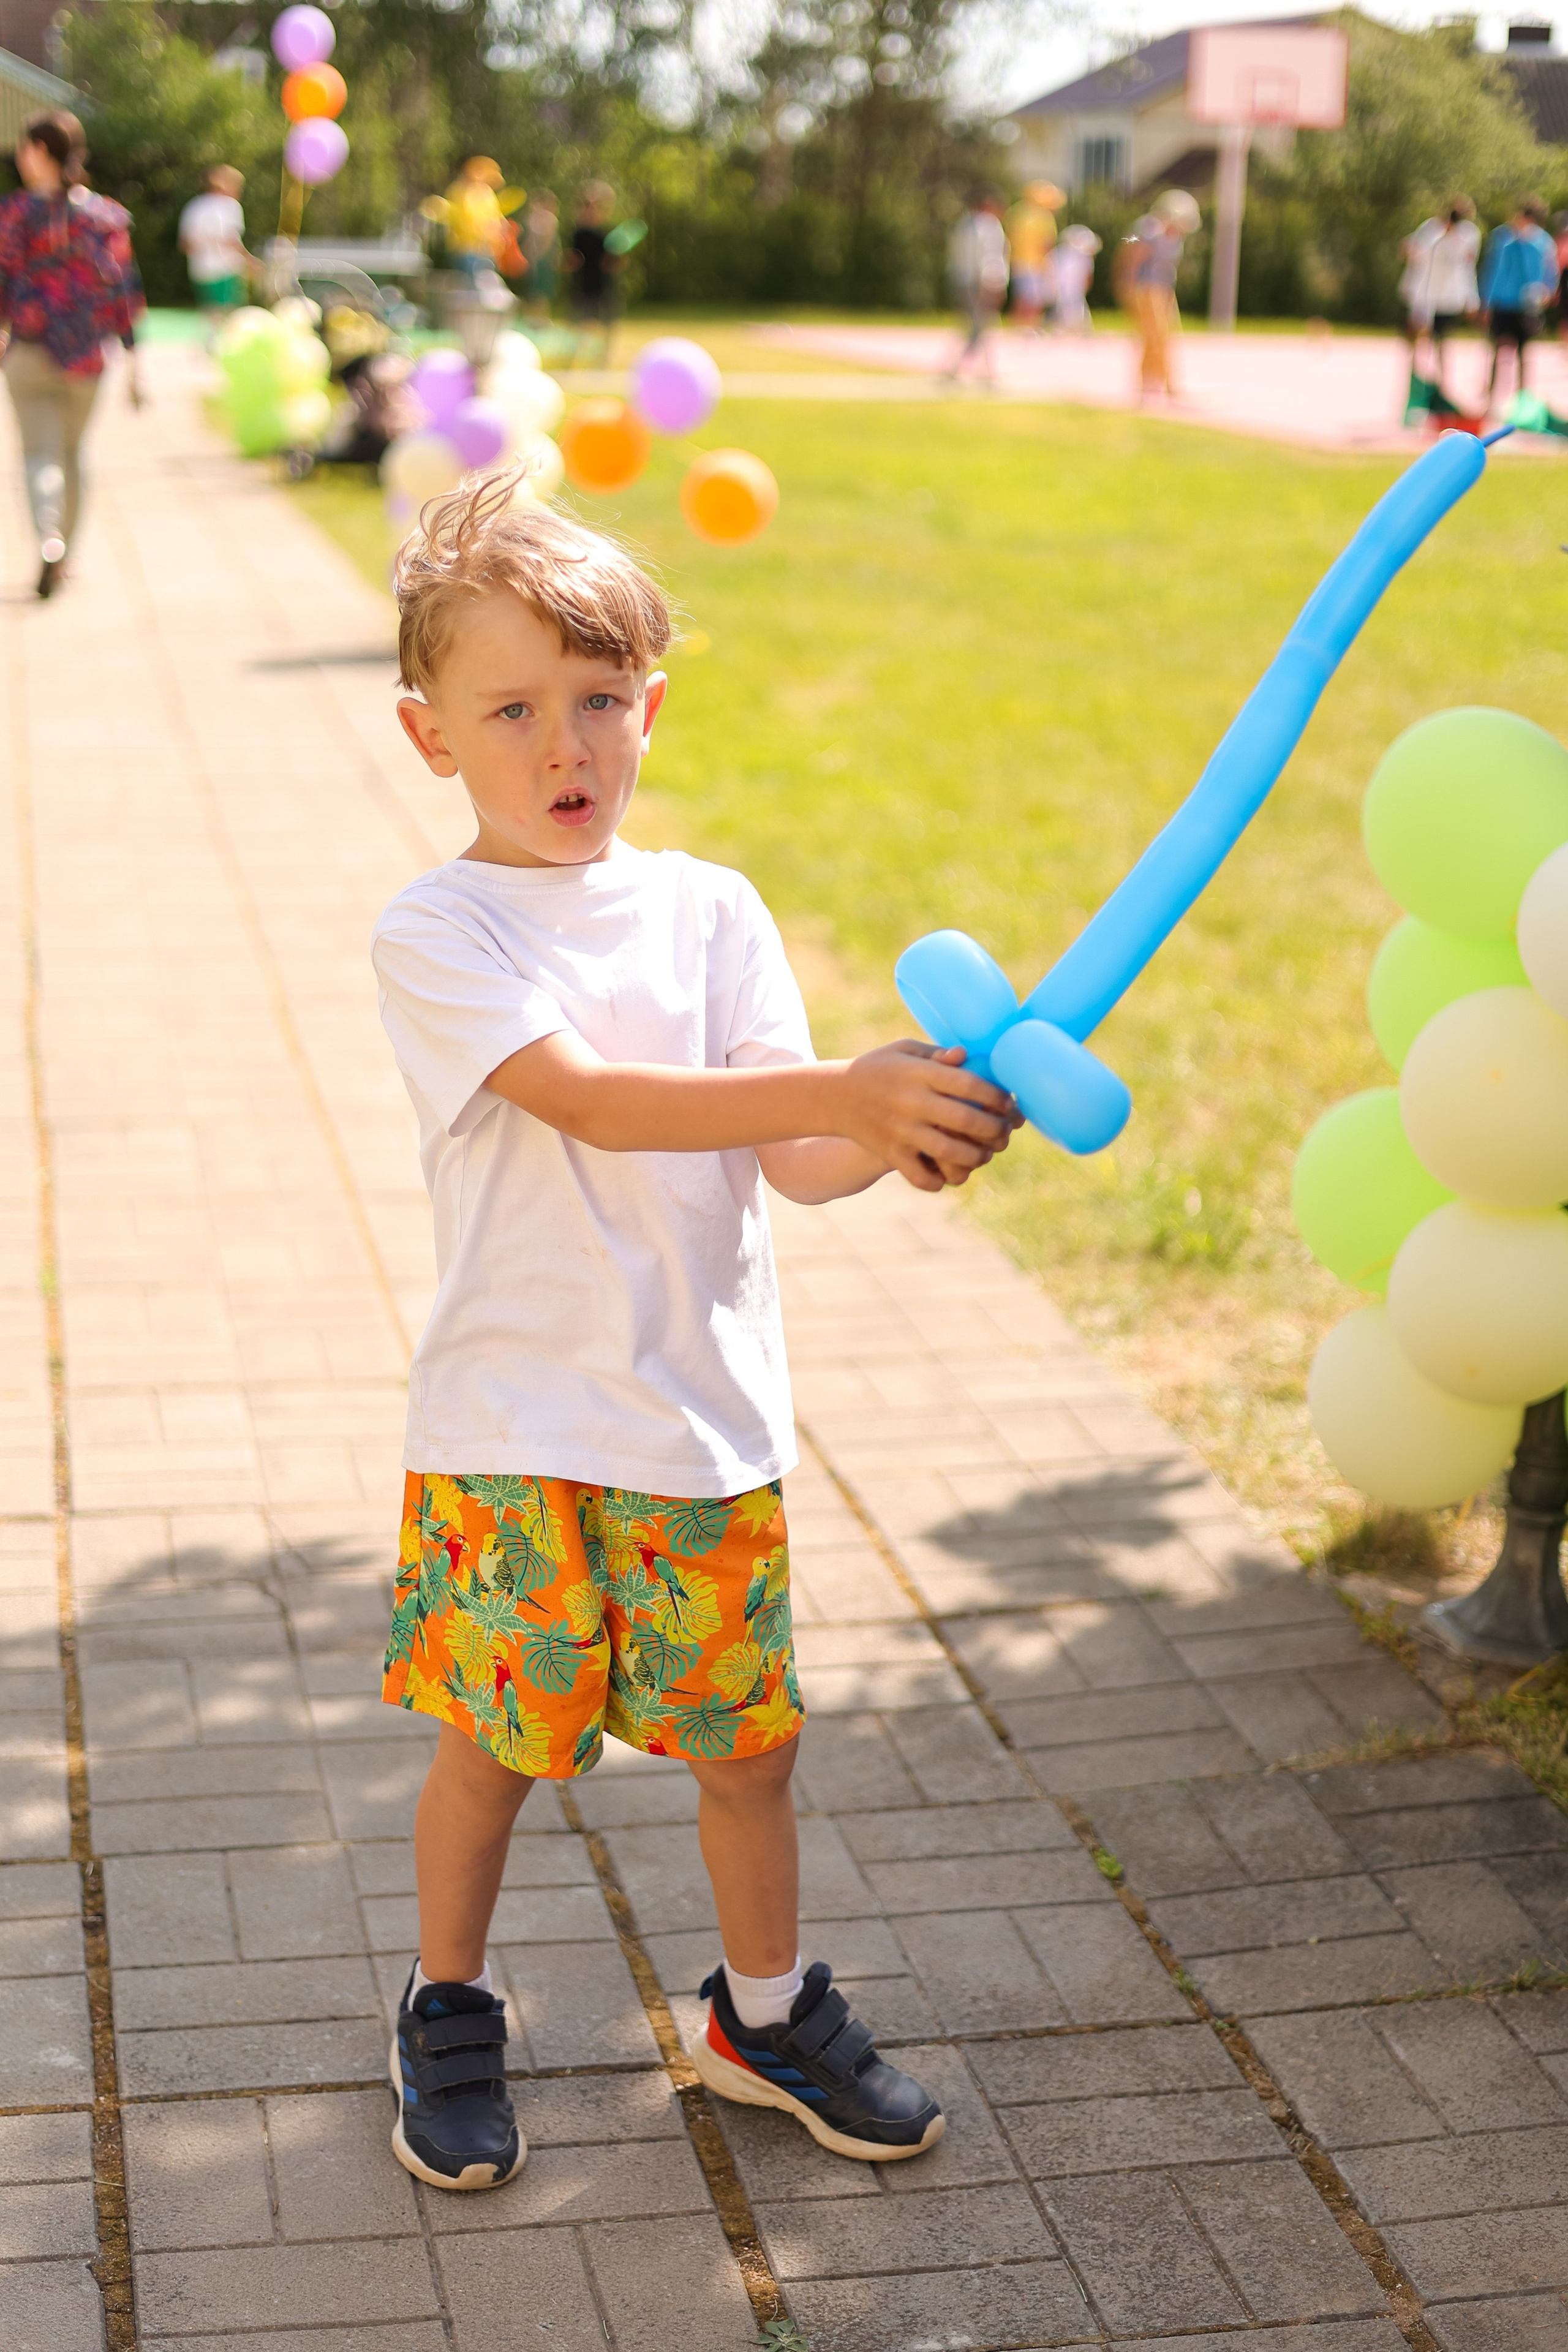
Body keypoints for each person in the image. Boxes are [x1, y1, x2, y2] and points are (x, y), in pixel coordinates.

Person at [371, 473, 1021, 2191]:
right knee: (500, 1745)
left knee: (751, 1747)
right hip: (517, 1426)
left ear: (649, 706)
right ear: (434, 738)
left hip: (699, 1423)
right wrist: (842, 1089)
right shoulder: (440, 931)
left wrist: (893, 1131)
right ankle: (448, 2002)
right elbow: (589, 1100)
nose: (563, 743)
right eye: (511, 710)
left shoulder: (712, 910)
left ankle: (761, 2012)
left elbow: (785, 1151)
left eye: (598, 701)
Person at [0, 110, 143, 600]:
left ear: (41, 151)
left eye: (24, 148)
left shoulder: (15, 213)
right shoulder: (104, 217)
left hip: (29, 352)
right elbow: (126, 293)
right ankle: (68, 556)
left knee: (39, 453)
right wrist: (135, 359)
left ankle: (49, 537)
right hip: (86, 357)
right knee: (74, 452)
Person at [1116, 188, 1199, 400]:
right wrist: (1128, 282)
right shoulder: (1150, 228)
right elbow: (1129, 249)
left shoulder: (1175, 235)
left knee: (1166, 336)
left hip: (1164, 289)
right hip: (1146, 288)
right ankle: (1162, 384)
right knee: (1155, 335)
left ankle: (1155, 381)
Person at [1398, 197, 1480, 398]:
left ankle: (1442, 387)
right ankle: (1416, 384)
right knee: (1419, 338)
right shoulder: (1431, 230)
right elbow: (1411, 252)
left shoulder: (1469, 235)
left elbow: (1468, 267)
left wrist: (1471, 298)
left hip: (1448, 297)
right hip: (1424, 296)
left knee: (1442, 340)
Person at [1480, 196, 1558, 407]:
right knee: (1498, 348)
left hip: (1526, 305)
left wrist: (1547, 291)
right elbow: (1493, 270)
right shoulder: (1503, 237)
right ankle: (1490, 397)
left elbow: (1551, 271)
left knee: (1524, 352)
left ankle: (1522, 398)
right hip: (1503, 302)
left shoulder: (1543, 242)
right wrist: (1486, 300)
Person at [178, 165, 252, 336]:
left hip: (201, 269)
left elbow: (185, 244)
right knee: (229, 313)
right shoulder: (230, 206)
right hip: (227, 268)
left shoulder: (193, 206)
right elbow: (231, 241)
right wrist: (250, 261)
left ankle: (210, 344)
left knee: (211, 311)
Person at [944, 189, 1009, 382]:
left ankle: (986, 370)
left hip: (962, 279)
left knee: (981, 325)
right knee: (980, 325)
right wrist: (992, 284)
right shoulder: (988, 225)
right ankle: (958, 367)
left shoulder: (964, 224)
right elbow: (987, 257)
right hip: (977, 282)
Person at [564, 181, 624, 361]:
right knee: (578, 323)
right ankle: (574, 357)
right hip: (583, 285)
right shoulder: (579, 233)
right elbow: (573, 259)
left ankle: (605, 357)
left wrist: (615, 261)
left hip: (603, 285)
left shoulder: (607, 234)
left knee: (608, 324)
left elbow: (615, 262)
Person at [1006, 180, 1062, 336]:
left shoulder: (1017, 212)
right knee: (1036, 298)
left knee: (1022, 297)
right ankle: (1031, 326)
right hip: (1037, 263)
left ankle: (1019, 326)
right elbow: (1047, 244)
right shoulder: (1044, 217)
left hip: (1018, 261)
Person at [1052, 224, 1101, 335]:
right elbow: (1087, 278)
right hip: (1073, 290)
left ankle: (1069, 331)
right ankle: (1079, 331)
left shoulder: (1060, 253)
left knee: (1068, 310)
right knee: (1076, 311)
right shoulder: (1084, 258)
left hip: (1064, 290)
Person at [521, 189, 560, 324]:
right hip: (534, 259)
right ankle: (532, 318)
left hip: (544, 260)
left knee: (542, 291)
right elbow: (530, 238)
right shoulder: (535, 217)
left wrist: (539, 257)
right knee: (533, 290)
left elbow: (547, 241)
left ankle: (542, 318)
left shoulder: (550, 219)